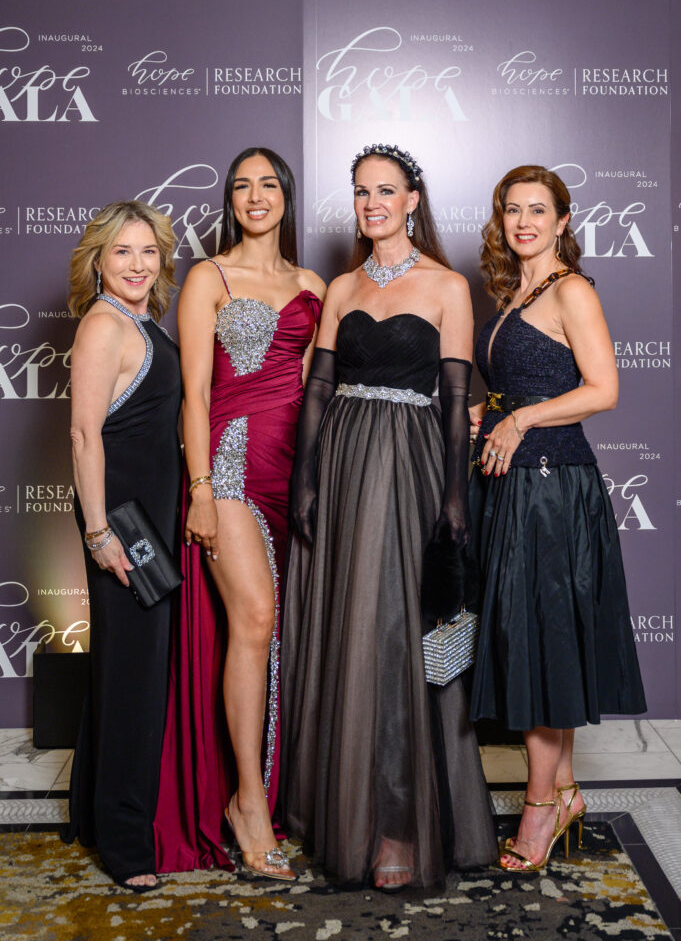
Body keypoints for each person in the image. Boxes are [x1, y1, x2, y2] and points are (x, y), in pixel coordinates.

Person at [281, 144, 498, 890]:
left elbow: (454, 398)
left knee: (399, 636)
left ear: (413, 199)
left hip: (406, 470)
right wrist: (304, 479)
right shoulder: (340, 288)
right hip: (342, 464)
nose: (371, 202)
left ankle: (403, 824)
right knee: (350, 632)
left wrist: (452, 494)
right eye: (361, 191)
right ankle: (352, 818)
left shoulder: (446, 287)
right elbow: (316, 389)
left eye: (386, 190)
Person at [468, 165, 646, 872]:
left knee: (543, 644)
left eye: (537, 210)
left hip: (552, 487)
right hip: (517, 487)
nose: (523, 222)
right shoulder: (514, 293)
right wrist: (490, 412)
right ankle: (564, 790)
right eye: (512, 210)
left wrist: (523, 419)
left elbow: (602, 389)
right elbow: (522, 386)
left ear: (563, 220)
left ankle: (539, 806)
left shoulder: (570, 289)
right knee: (544, 642)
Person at [153, 147, 325, 880]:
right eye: (240, 186)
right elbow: (193, 392)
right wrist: (197, 485)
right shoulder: (209, 276)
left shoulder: (314, 284)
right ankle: (246, 804)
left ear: (286, 196)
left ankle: (279, 792)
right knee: (253, 622)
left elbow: (323, 391)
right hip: (228, 465)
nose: (255, 196)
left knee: (280, 634)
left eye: (267, 184)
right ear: (230, 200)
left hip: (297, 474)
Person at [63, 200, 181, 892]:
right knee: (135, 685)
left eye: (148, 251)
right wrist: (100, 530)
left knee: (123, 674)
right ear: (99, 262)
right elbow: (84, 435)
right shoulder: (104, 324)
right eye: (123, 253)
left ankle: (92, 814)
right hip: (124, 530)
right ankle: (128, 848)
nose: (138, 265)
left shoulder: (140, 321)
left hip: (145, 523)